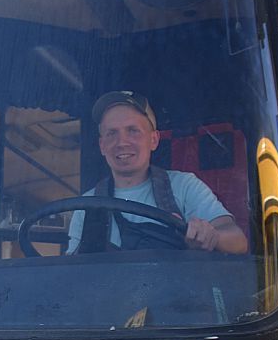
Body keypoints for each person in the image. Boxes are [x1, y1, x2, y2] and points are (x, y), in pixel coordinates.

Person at [67, 91, 248, 254]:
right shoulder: (87, 205)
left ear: (154, 140)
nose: (122, 142)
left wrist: (211, 236)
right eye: (111, 133)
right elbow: (74, 269)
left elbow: (238, 241)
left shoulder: (184, 186)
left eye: (133, 131)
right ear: (102, 146)